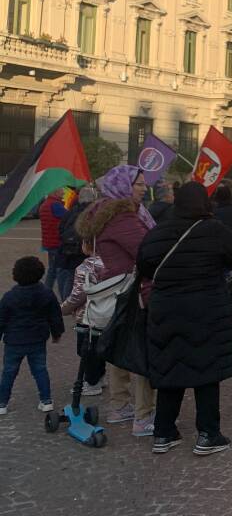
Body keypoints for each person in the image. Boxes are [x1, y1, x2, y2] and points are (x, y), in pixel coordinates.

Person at [136, 182, 232, 456]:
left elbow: (144, 265)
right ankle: (208, 433)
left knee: (171, 366)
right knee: (207, 371)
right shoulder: (214, 230)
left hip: (166, 309)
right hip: (206, 308)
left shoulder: (157, 232)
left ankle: (163, 432)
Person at [77, 164, 156, 435]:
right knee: (140, 351)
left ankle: (119, 405)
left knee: (119, 350)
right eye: (139, 184)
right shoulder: (123, 217)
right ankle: (143, 417)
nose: (145, 188)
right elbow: (147, 252)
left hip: (113, 289)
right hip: (131, 292)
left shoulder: (102, 211)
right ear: (123, 185)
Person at [0, 256, 64, 415]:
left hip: (14, 341)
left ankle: (2, 403)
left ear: (16, 274)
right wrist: (57, 333)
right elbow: (55, 316)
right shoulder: (47, 294)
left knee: (9, 372)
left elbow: (1, 320)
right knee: (40, 370)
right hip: (37, 338)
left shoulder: (9, 297)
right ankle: (46, 400)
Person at [59, 230, 106, 397]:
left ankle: (91, 382)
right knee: (100, 349)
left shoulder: (84, 268)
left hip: (86, 316)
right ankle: (100, 376)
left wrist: (63, 309)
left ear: (87, 246)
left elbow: (77, 296)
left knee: (85, 350)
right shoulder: (113, 263)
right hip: (106, 314)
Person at [56, 185, 97, 300]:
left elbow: (60, 228)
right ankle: (68, 301)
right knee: (74, 277)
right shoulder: (91, 213)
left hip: (66, 248)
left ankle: (65, 299)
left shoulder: (70, 211)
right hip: (80, 251)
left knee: (67, 275)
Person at [39, 187, 68, 292]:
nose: (64, 192)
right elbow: (69, 217)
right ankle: (56, 293)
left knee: (52, 269)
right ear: (56, 192)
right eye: (62, 190)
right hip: (56, 242)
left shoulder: (45, 204)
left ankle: (46, 291)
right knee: (59, 270)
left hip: (49, 242)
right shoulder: (55, 205)